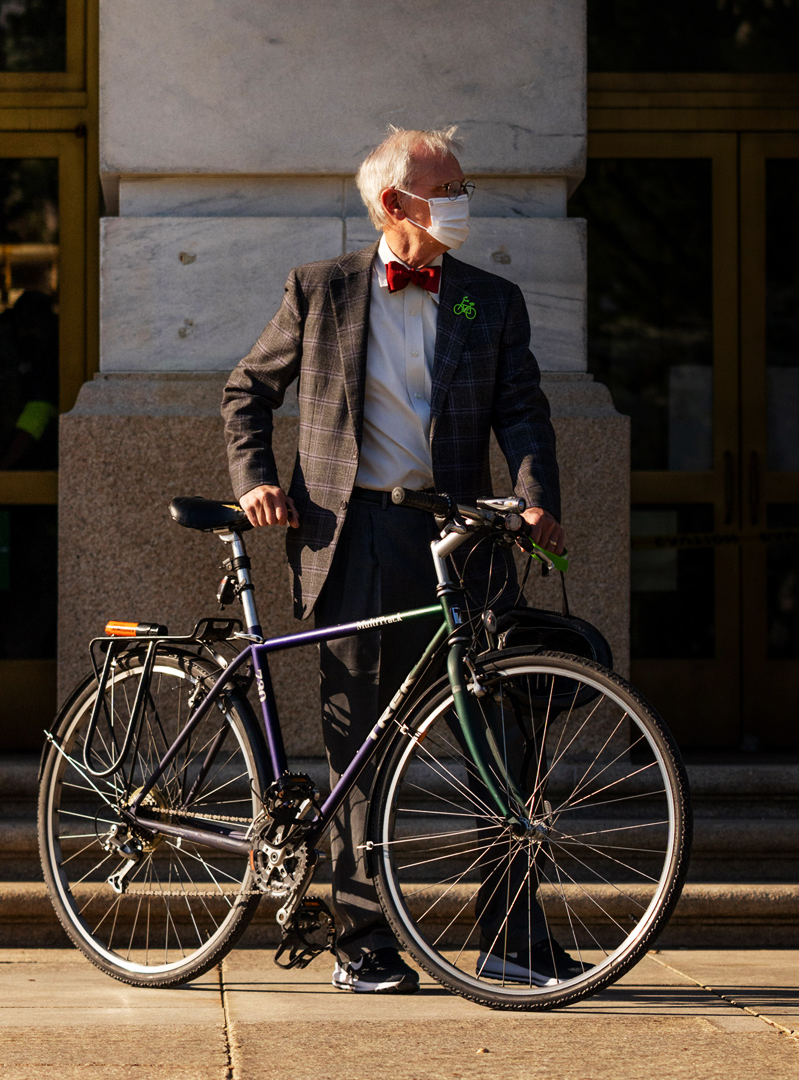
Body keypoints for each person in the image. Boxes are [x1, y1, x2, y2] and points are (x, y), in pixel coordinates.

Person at [223, 126, 577, 994]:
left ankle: (513, 935)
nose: (461, 200)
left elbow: (522, 410)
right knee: (361, 740)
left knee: (504, 734)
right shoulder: (322, 290)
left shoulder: (485, 300)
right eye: (445, 187)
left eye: (461, 184)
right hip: (354, 539)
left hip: (460, 536)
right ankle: (364, 939)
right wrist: (259, 482)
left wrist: (535, 498)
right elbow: (246, 391)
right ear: (392, 204)